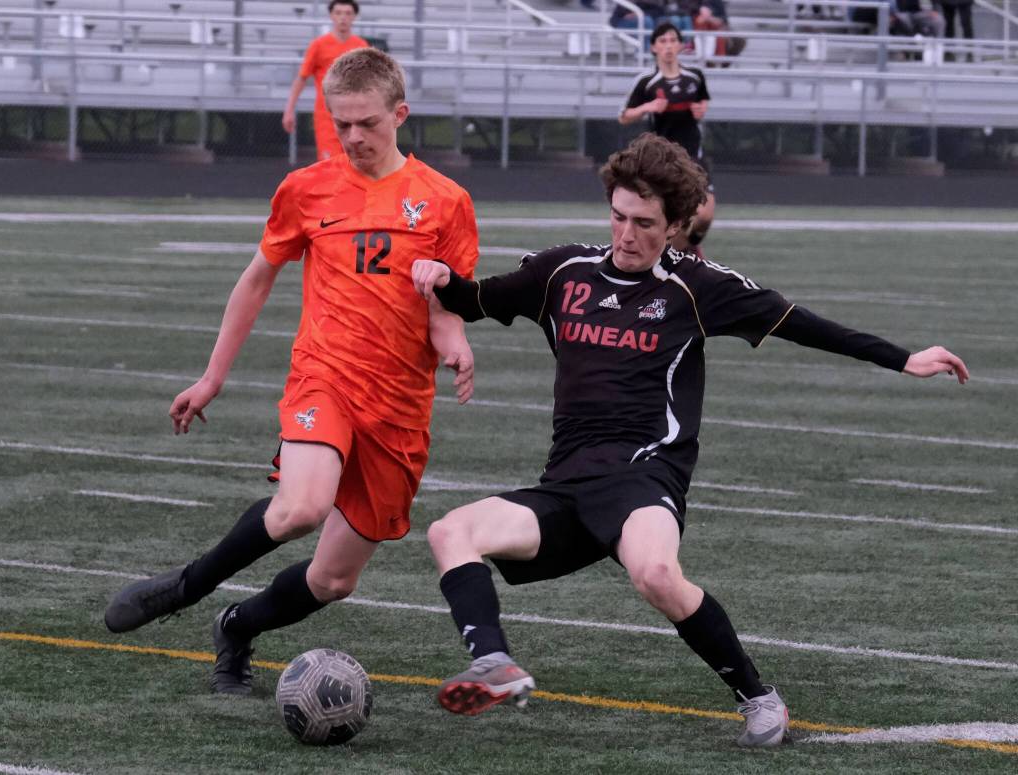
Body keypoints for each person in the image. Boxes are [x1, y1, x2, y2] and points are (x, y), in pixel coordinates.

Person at [410, 133, 969, 747]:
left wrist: (904, 359)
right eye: (618, 216)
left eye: (645, 223)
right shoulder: (560, 273)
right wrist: (439, 277)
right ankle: (493, 663)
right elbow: (472, 298)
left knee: (654, 574)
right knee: (449, 530)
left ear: (677, 225)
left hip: (646, 476)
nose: (627, 235)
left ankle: (759, 697)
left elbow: (803, 325)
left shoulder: (697, 287)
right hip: (566, 484)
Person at [104, 48, 481, 696]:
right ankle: (187, 586)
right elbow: (256, 281)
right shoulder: (307, 189)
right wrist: (211, 377)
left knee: (335, 579)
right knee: (301, 505)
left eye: (368, 123)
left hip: (399, 405)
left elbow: (446, 311)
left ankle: (238, 625)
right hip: (325, 376)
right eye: (343, 124)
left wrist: (455, 345)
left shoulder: (445, 202)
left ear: (401, 114)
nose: (355, 137)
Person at [619, 22, 714, 249]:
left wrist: (702, 109)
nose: (668, 46)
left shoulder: (695, 76)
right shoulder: (647, 81)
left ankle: (685, 251)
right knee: (674, 218)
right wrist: (647, 107)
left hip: (694, 156)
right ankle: (682, 258)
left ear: (681, 45)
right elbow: (624, 116)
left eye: (673, 40)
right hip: (665, 161)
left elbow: (702, 102)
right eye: (663, 41)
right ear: (653, 47)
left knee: (705, 216)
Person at [282, 0, 369, 161]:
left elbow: (369, 82)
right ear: (331, 16)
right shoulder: (319, 45)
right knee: (330, 166)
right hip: (327, 117)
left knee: (355, 165)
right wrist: (289, 109)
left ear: (354, 16)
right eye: (338, 13)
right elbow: (302, 78)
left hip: (355, 117)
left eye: (348, 13)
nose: (343, 18)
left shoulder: (361, 46)